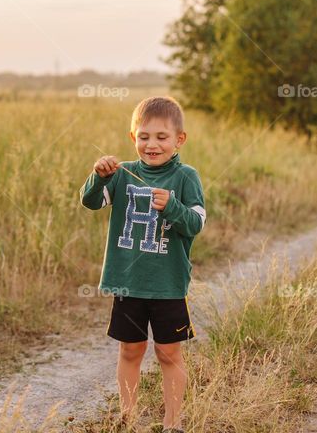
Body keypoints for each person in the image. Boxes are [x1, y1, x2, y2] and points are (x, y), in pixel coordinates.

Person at [79, 95, 207, 433]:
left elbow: (195, 223)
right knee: (131, 349)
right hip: (128, 281)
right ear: (132, 137)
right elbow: (91, 202)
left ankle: (173, 422)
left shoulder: (185, 177)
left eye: (162, 137)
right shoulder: (122, 174)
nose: (152, 144)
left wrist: (174, 207)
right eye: (144, 136)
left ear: (179, 140)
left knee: (169, 353)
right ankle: (128, 416)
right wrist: (98, 176)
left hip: (167, 284)